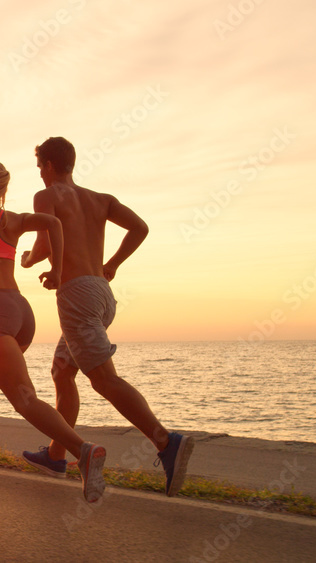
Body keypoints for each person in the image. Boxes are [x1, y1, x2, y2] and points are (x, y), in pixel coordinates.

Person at [20, 137, 193, 497]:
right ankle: (55, 455)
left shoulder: (46, 195)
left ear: (49, 165)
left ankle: (165, 440)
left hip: (78, 296)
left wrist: (33, 261)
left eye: (40, 166)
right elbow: (140, 228)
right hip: (102, 291)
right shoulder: (101, 199)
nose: (39, 173)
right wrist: (111, 264)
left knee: (103, 379)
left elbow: (45, 238)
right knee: (62, 371)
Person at [0, 159, 107, 503]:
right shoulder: (12, 220)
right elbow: (54, 222)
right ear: (3, 187)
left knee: (22, 398)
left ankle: (82, 450)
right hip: (21, 313)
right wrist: (56, 268)